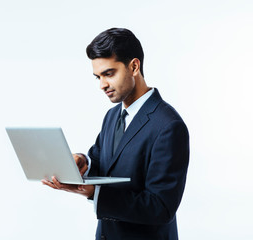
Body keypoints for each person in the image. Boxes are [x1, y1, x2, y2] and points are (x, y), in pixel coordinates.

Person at [42, 28, 189, 240]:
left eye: (109, 74)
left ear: (134, 66)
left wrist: (95, 194)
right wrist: (82, 162)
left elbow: (161, 208)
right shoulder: (112, 116)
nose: (102, 85)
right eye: (97, 77)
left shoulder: (169, 126)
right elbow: (101, 161)